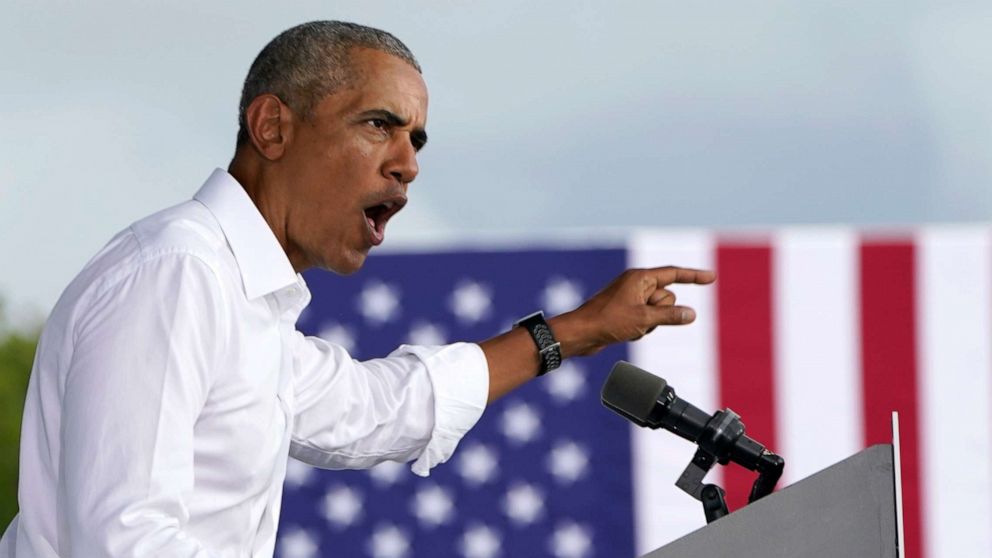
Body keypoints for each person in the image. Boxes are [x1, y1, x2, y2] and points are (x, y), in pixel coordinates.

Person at [0, 21, 715, 557]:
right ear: (272, 127)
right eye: (380, 125)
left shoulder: (244, 306)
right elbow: (125, 542)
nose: (407, 164)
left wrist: (582, 327)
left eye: (418, 141)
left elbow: (380, 409)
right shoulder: (177, 274)